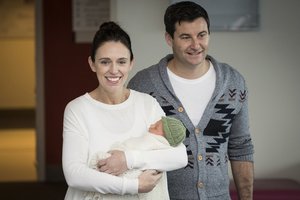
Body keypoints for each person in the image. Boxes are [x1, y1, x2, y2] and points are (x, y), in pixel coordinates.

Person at [127, 1, 255, 200]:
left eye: (201, 35)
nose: (196, 45)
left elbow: (241, 146)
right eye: (186, 37)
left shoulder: (233, 83)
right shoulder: (143, 85)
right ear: (169, 38)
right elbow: (132, 145)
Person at [62, 21, 188, 200]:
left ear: (131, 63)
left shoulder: (147, 104)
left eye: (121, 61)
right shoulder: (77, 109)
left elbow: (179, 156)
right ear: (92, 64)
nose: (114, 70)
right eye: (105, 62)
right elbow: (74, 175)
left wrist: (127, 160)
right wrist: (133, 186)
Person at [85, 116, 186, 199]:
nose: (151, 125)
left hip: (136, 175)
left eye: (155, 127)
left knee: (102, 160)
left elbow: (134, 146)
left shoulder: (153, 141)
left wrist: (120, 151)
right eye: (155, 124)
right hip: (137, 180)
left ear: (166, 138)